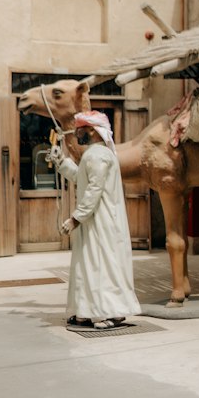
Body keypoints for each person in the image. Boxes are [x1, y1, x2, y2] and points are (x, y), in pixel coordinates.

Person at [51, 111, 141, 329]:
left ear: (91, 130)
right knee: (92, 266)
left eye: (79, 129)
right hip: (97, 222)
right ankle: (90, 311)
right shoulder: (96, 154)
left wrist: (76, 218)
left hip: (101, 224)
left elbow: (94, 189)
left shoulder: (97, 155)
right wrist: (61, 161)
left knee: (99, 266)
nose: (76, 133)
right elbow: (81, 177)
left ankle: (103, 313)